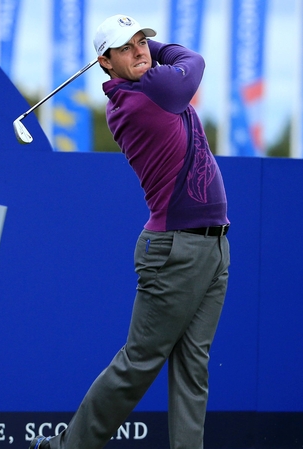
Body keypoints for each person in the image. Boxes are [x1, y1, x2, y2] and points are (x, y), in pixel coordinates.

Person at [30, 14, 231, 449]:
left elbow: (178, 64)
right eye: (127, 47)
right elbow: (192, 60)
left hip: (212, 246)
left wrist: (139, 50)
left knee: (193, 366)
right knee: (138, 363)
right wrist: (157, 54)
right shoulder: (147, 94)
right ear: (104, 62)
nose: (141, 50)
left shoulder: (145, 86)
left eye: (143, 41)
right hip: (176, 251)